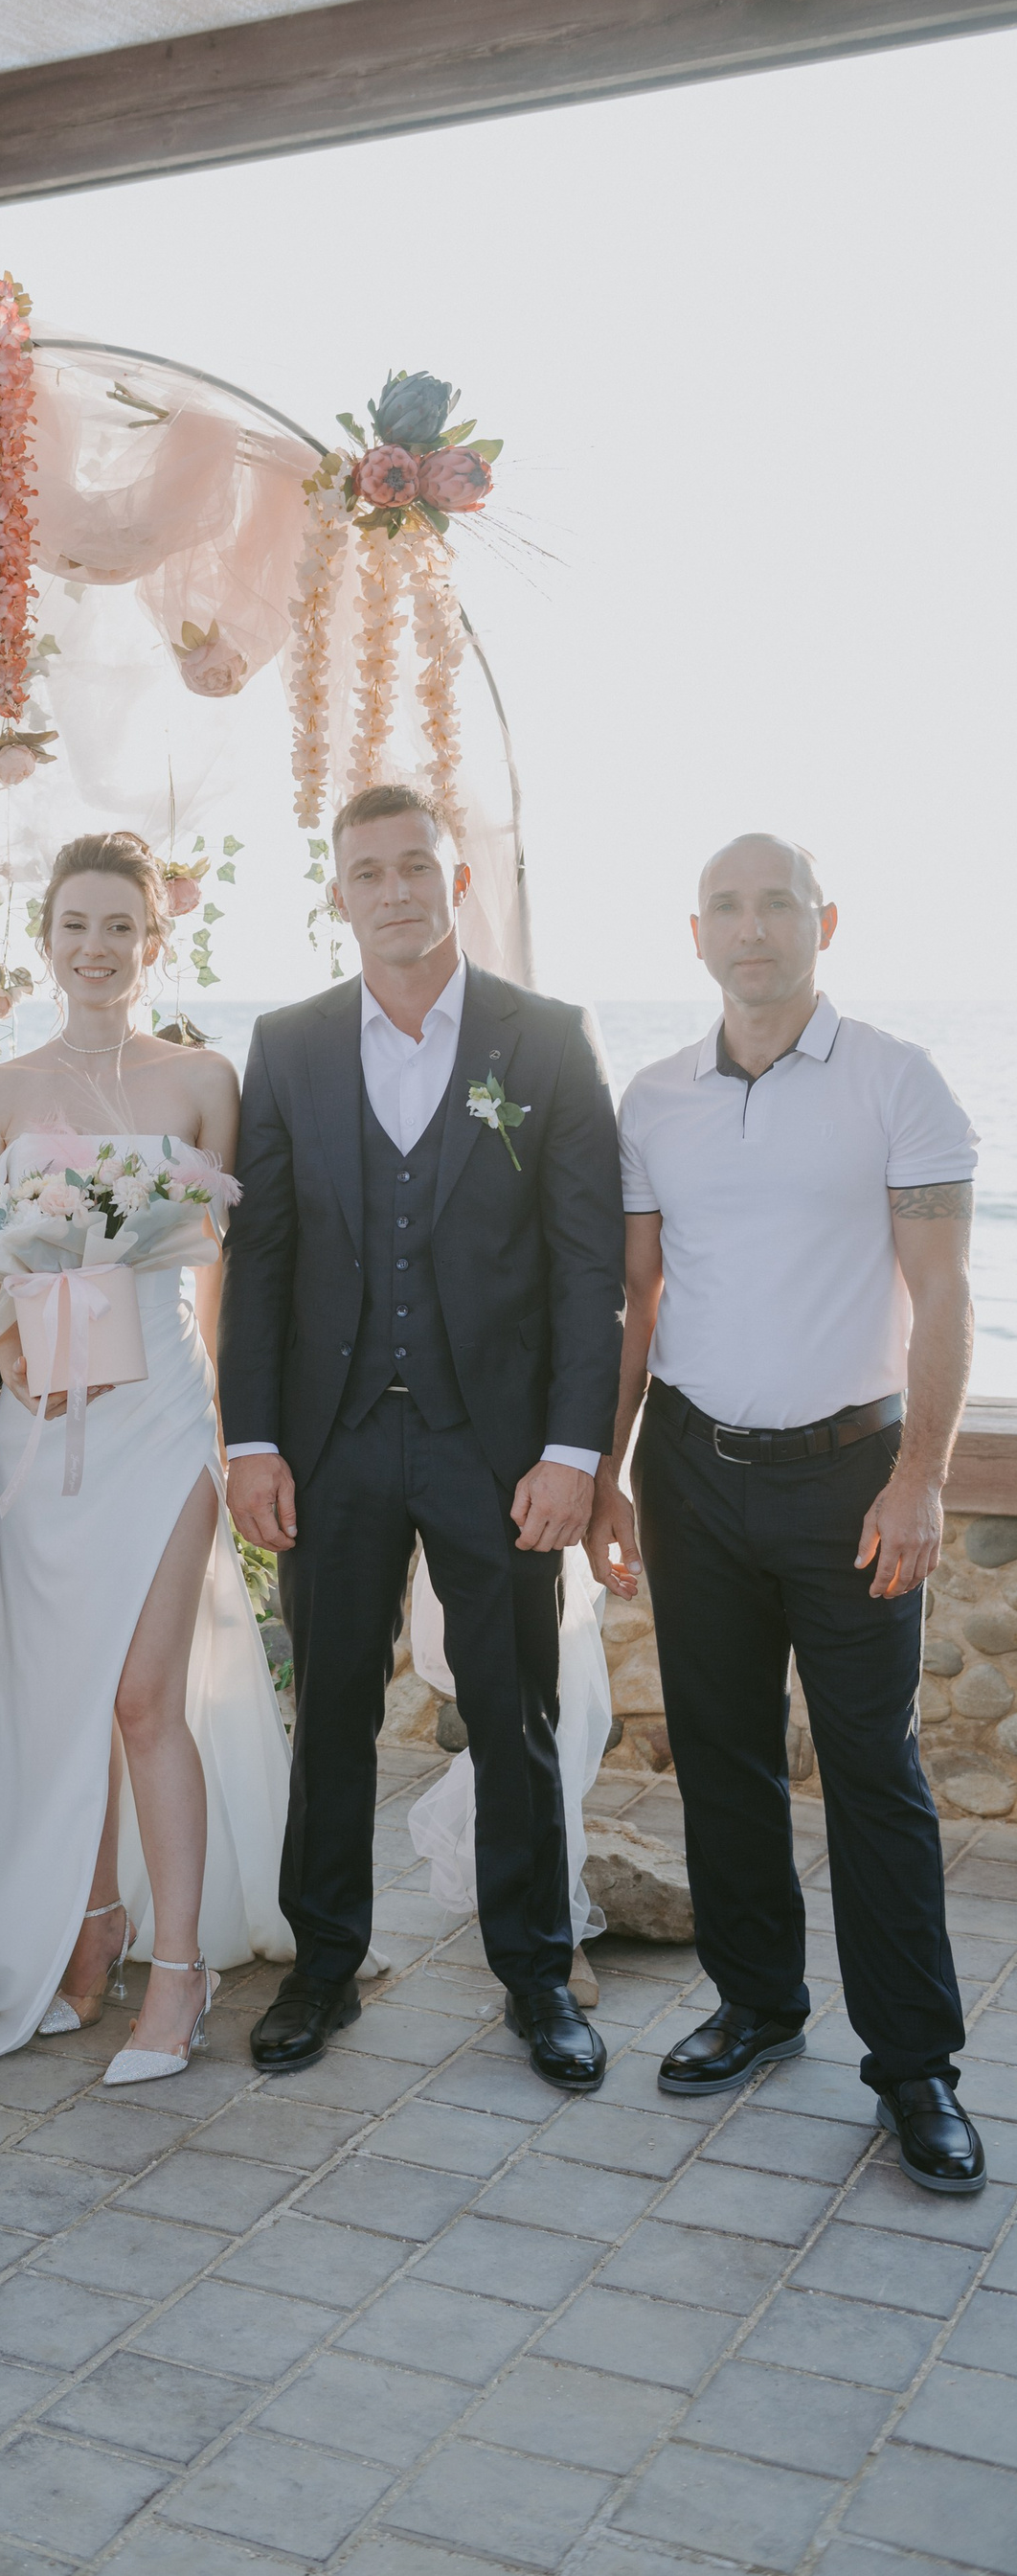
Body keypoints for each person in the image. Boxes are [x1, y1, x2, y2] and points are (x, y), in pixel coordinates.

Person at [589, 833, 985, 2194]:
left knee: (874, 1768)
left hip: (850, 1475)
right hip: (693, 1471)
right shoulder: (654, 1099)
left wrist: (920, 1475)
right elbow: (637, 1300)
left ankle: (916, 2064)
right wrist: (608, 1470)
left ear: (825, 922)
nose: (751, 928)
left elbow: (944, 1292)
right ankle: (758, 2001)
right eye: (727, 907)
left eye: (777, 904)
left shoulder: (896, 1080)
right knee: (721, 1751)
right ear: (694, 932)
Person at [220, 783, 624, 2089]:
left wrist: (574, 1453)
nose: (394, 890)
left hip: (495, 1448)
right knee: (329, 1710)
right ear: (338, 894)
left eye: (415, 866)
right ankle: (325, 1964)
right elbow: (261, 1258)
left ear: (456, 880)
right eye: (368, 871)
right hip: (330, 1443)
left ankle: (539, 1975)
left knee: (515, 1714)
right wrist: (251, 1438)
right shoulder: (286, 1045)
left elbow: (588, 1268)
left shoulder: (546, 1039)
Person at [0, 831, 291, 2079]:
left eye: (120, 926)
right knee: (64, 1697)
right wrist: (14, 1360)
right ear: (45, 937)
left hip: (163, 1417)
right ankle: (90, 1930)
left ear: (155, 938)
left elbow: (234, 1277)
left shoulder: (202, 1078)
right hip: (50, 1423)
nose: (97, 947)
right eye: (75, 924)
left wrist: (241, 1432)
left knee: (145, 1696)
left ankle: (179, 1971)